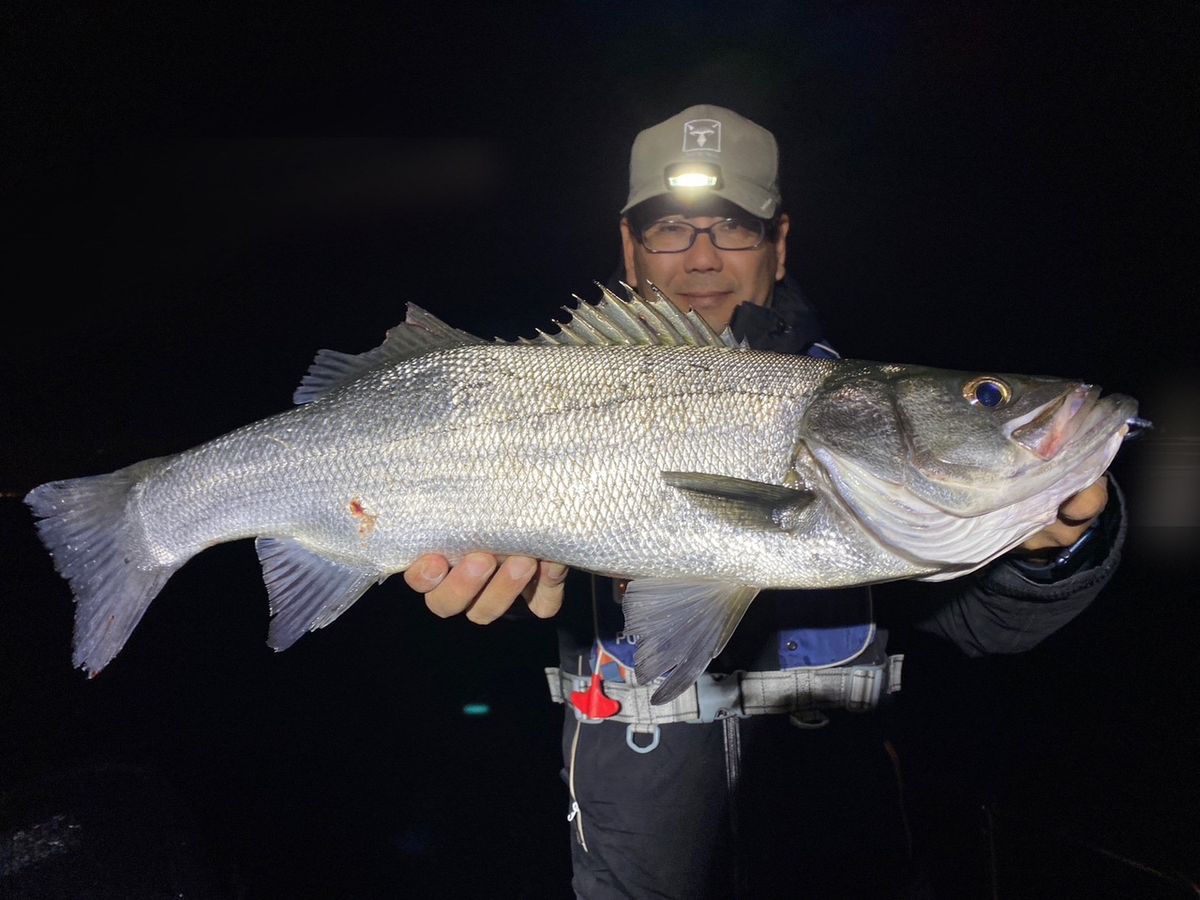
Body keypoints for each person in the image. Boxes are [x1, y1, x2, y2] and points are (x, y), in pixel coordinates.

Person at [404, 105, 1124, 898]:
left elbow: (987, 625)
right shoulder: (550, 388)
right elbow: (498, 607)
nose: (703, 256)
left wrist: (1058, 548)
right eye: (670, 229)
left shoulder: (848, 409)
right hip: (637, 859)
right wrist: (498, 599)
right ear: (628, 248)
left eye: (734, 228)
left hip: (837, 850)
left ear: (779, 246)